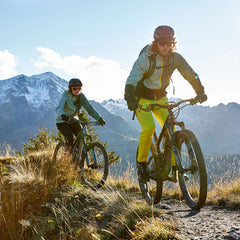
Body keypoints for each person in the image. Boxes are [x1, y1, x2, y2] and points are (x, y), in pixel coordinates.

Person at [124, 25, 207, 182]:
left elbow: (191, 74)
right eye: (162, 43)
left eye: (169, 43)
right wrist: (130, 98)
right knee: (149, 128)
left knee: (171, 130)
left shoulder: (175, 58)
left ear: (172, 43)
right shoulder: (145, 59)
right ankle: (141, 165)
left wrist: (200, 91)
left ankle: (175, 168)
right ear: (156, 42)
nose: (165, 47)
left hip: (161, 97)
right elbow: (132, 79)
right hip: (142, 99)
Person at [56, 78, 105, 152]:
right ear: (70, 88)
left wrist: (99, 118)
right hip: (62, 121)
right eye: (74, 88)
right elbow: (59, 108)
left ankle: (79, 159)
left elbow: (89, 109)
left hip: (74, 120)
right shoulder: (65, 95)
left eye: (78, 88)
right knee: (70, 138)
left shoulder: (81, 97)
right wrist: (63, 116)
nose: (77, 90)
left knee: (82, 138)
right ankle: (67, 158)